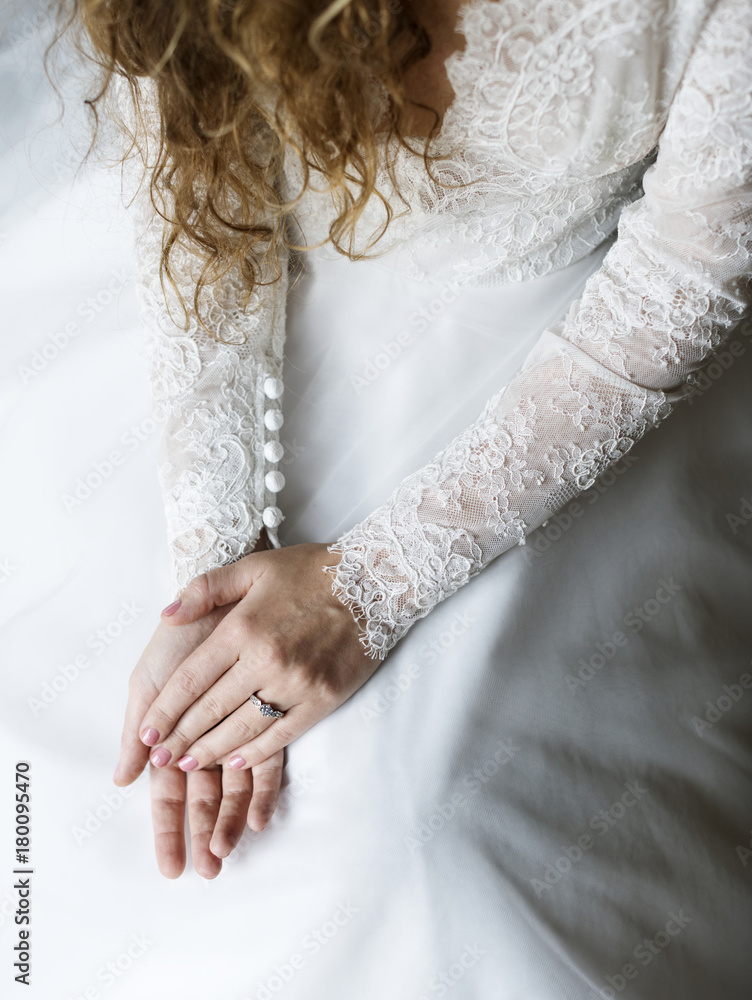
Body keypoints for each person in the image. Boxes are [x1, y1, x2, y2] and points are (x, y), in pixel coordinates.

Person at [65, 1, 752, 995]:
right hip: (288, 277)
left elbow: (684, 275)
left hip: (602, 333)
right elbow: (196, 148)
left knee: (422, 832)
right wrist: (209, 571)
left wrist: (365, 590)